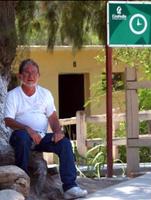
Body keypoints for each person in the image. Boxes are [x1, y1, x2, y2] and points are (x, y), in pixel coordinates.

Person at [4, 59, 88, 199]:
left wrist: (57, 131)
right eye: (27, 72)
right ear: (20, 76)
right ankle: (22, 184)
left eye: (34, 73)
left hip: (41, 137)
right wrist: (28, 129)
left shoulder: (45, 94)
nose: (31, 76)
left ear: (39, 76)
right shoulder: (13, 95)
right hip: (20, 136)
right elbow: (8, 121)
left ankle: (70, 187)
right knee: (23, 138)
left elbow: (53, 118)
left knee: (64, 143)